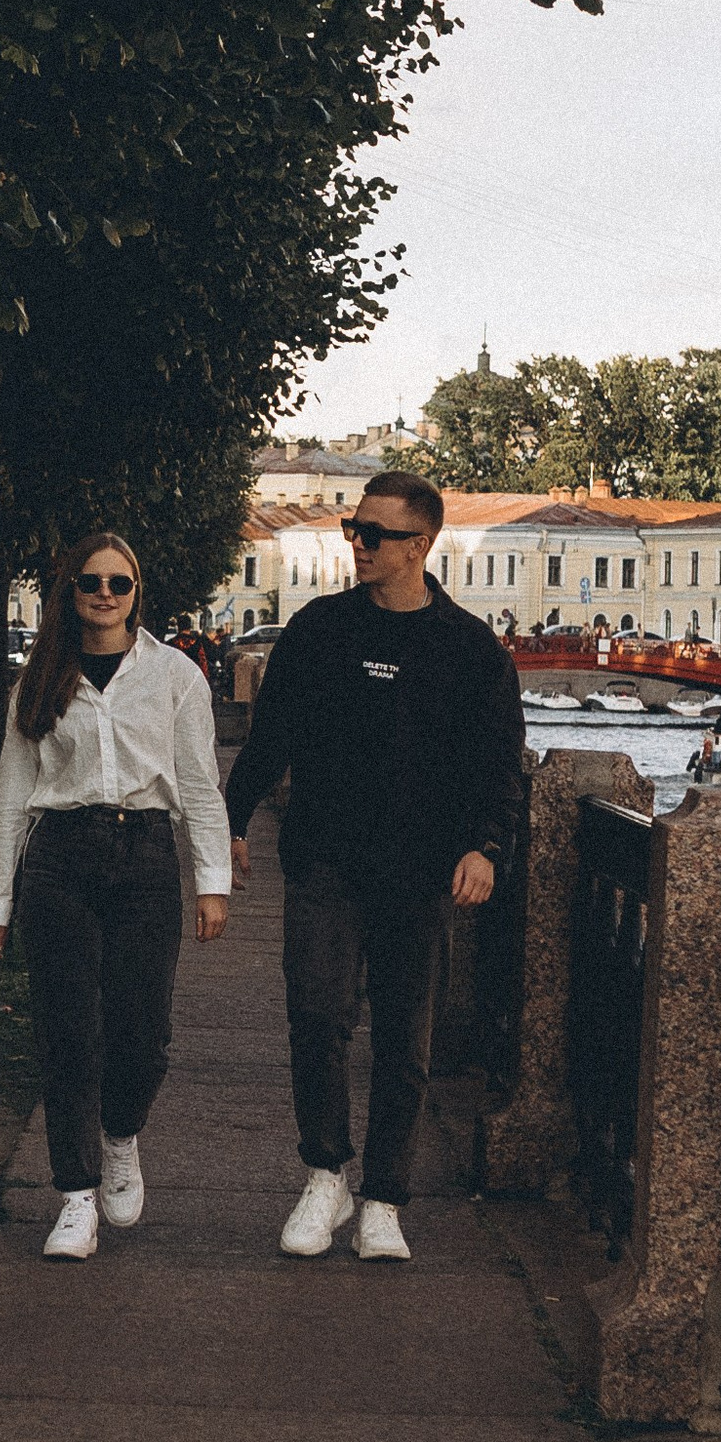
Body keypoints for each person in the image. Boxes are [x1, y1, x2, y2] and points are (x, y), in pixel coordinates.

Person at [226, 474, 524, 1264]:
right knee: (318, 1016)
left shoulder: (471, 652)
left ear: (420, 546)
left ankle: (386, 1197)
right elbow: (269, 739)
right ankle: (326, 1173)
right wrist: (229, 821)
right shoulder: (320, 630)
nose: (356, 544)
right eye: (354, 529)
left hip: (421, 873)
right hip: (325, 858)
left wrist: (486, 849)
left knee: (405, 1038)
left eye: (375, 535)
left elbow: (500, 771)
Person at [0, 531, 232, 1263]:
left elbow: (196, 787)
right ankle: (75, 1195)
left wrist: (211, 882)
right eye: (90, 581)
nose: (104, 594)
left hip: (146, 859)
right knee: (67, 1032)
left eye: (118, 584)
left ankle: (121, 1137)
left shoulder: (176, 677)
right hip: (59, 861)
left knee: (142, 1034)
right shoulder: (38, 682)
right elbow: (11, 798)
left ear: (136, 593)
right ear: (71, 591)